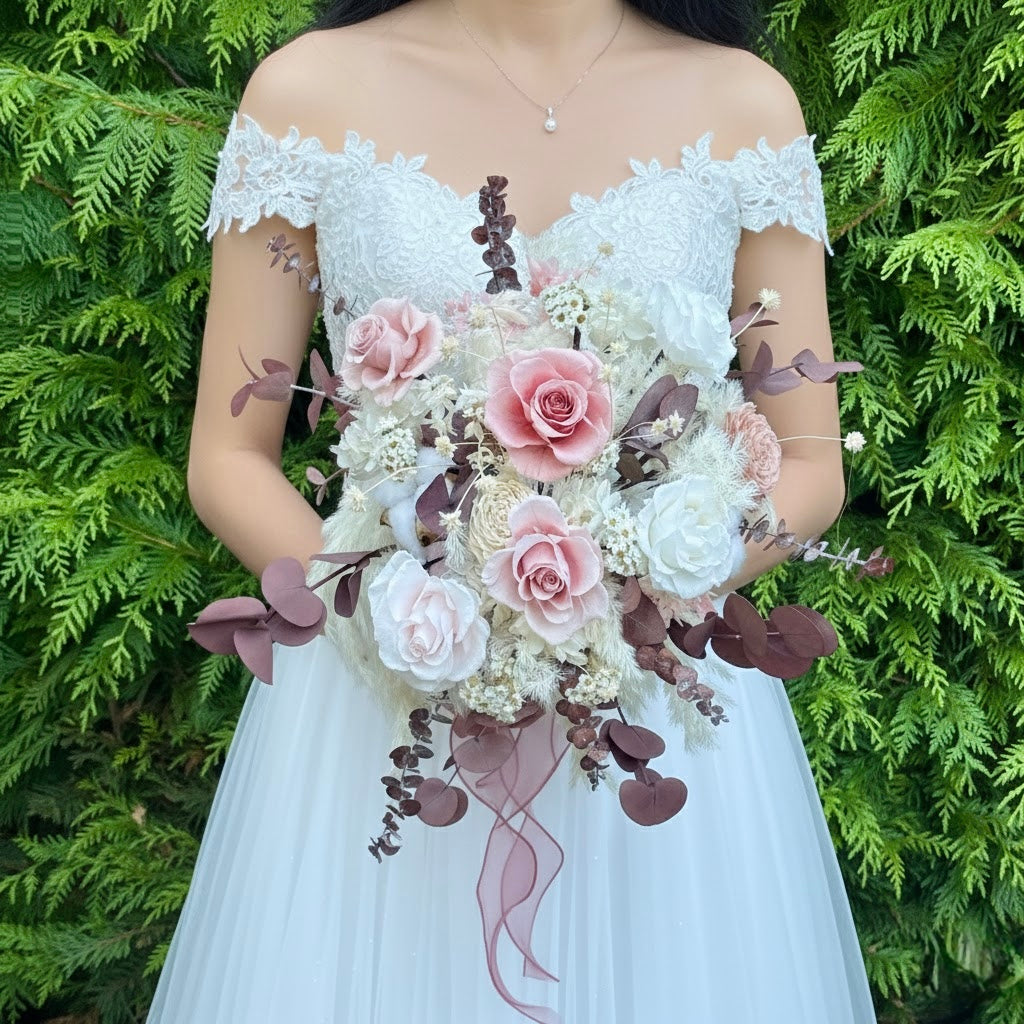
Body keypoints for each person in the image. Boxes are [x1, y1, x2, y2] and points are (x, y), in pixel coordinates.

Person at [147, 1, 877, 1021]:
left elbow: (808, 464)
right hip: (382, 708)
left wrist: (631, 597)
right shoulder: (305, 94)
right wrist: (400, 617)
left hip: (647, 703)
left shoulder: (742, 105)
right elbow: (229, 457)